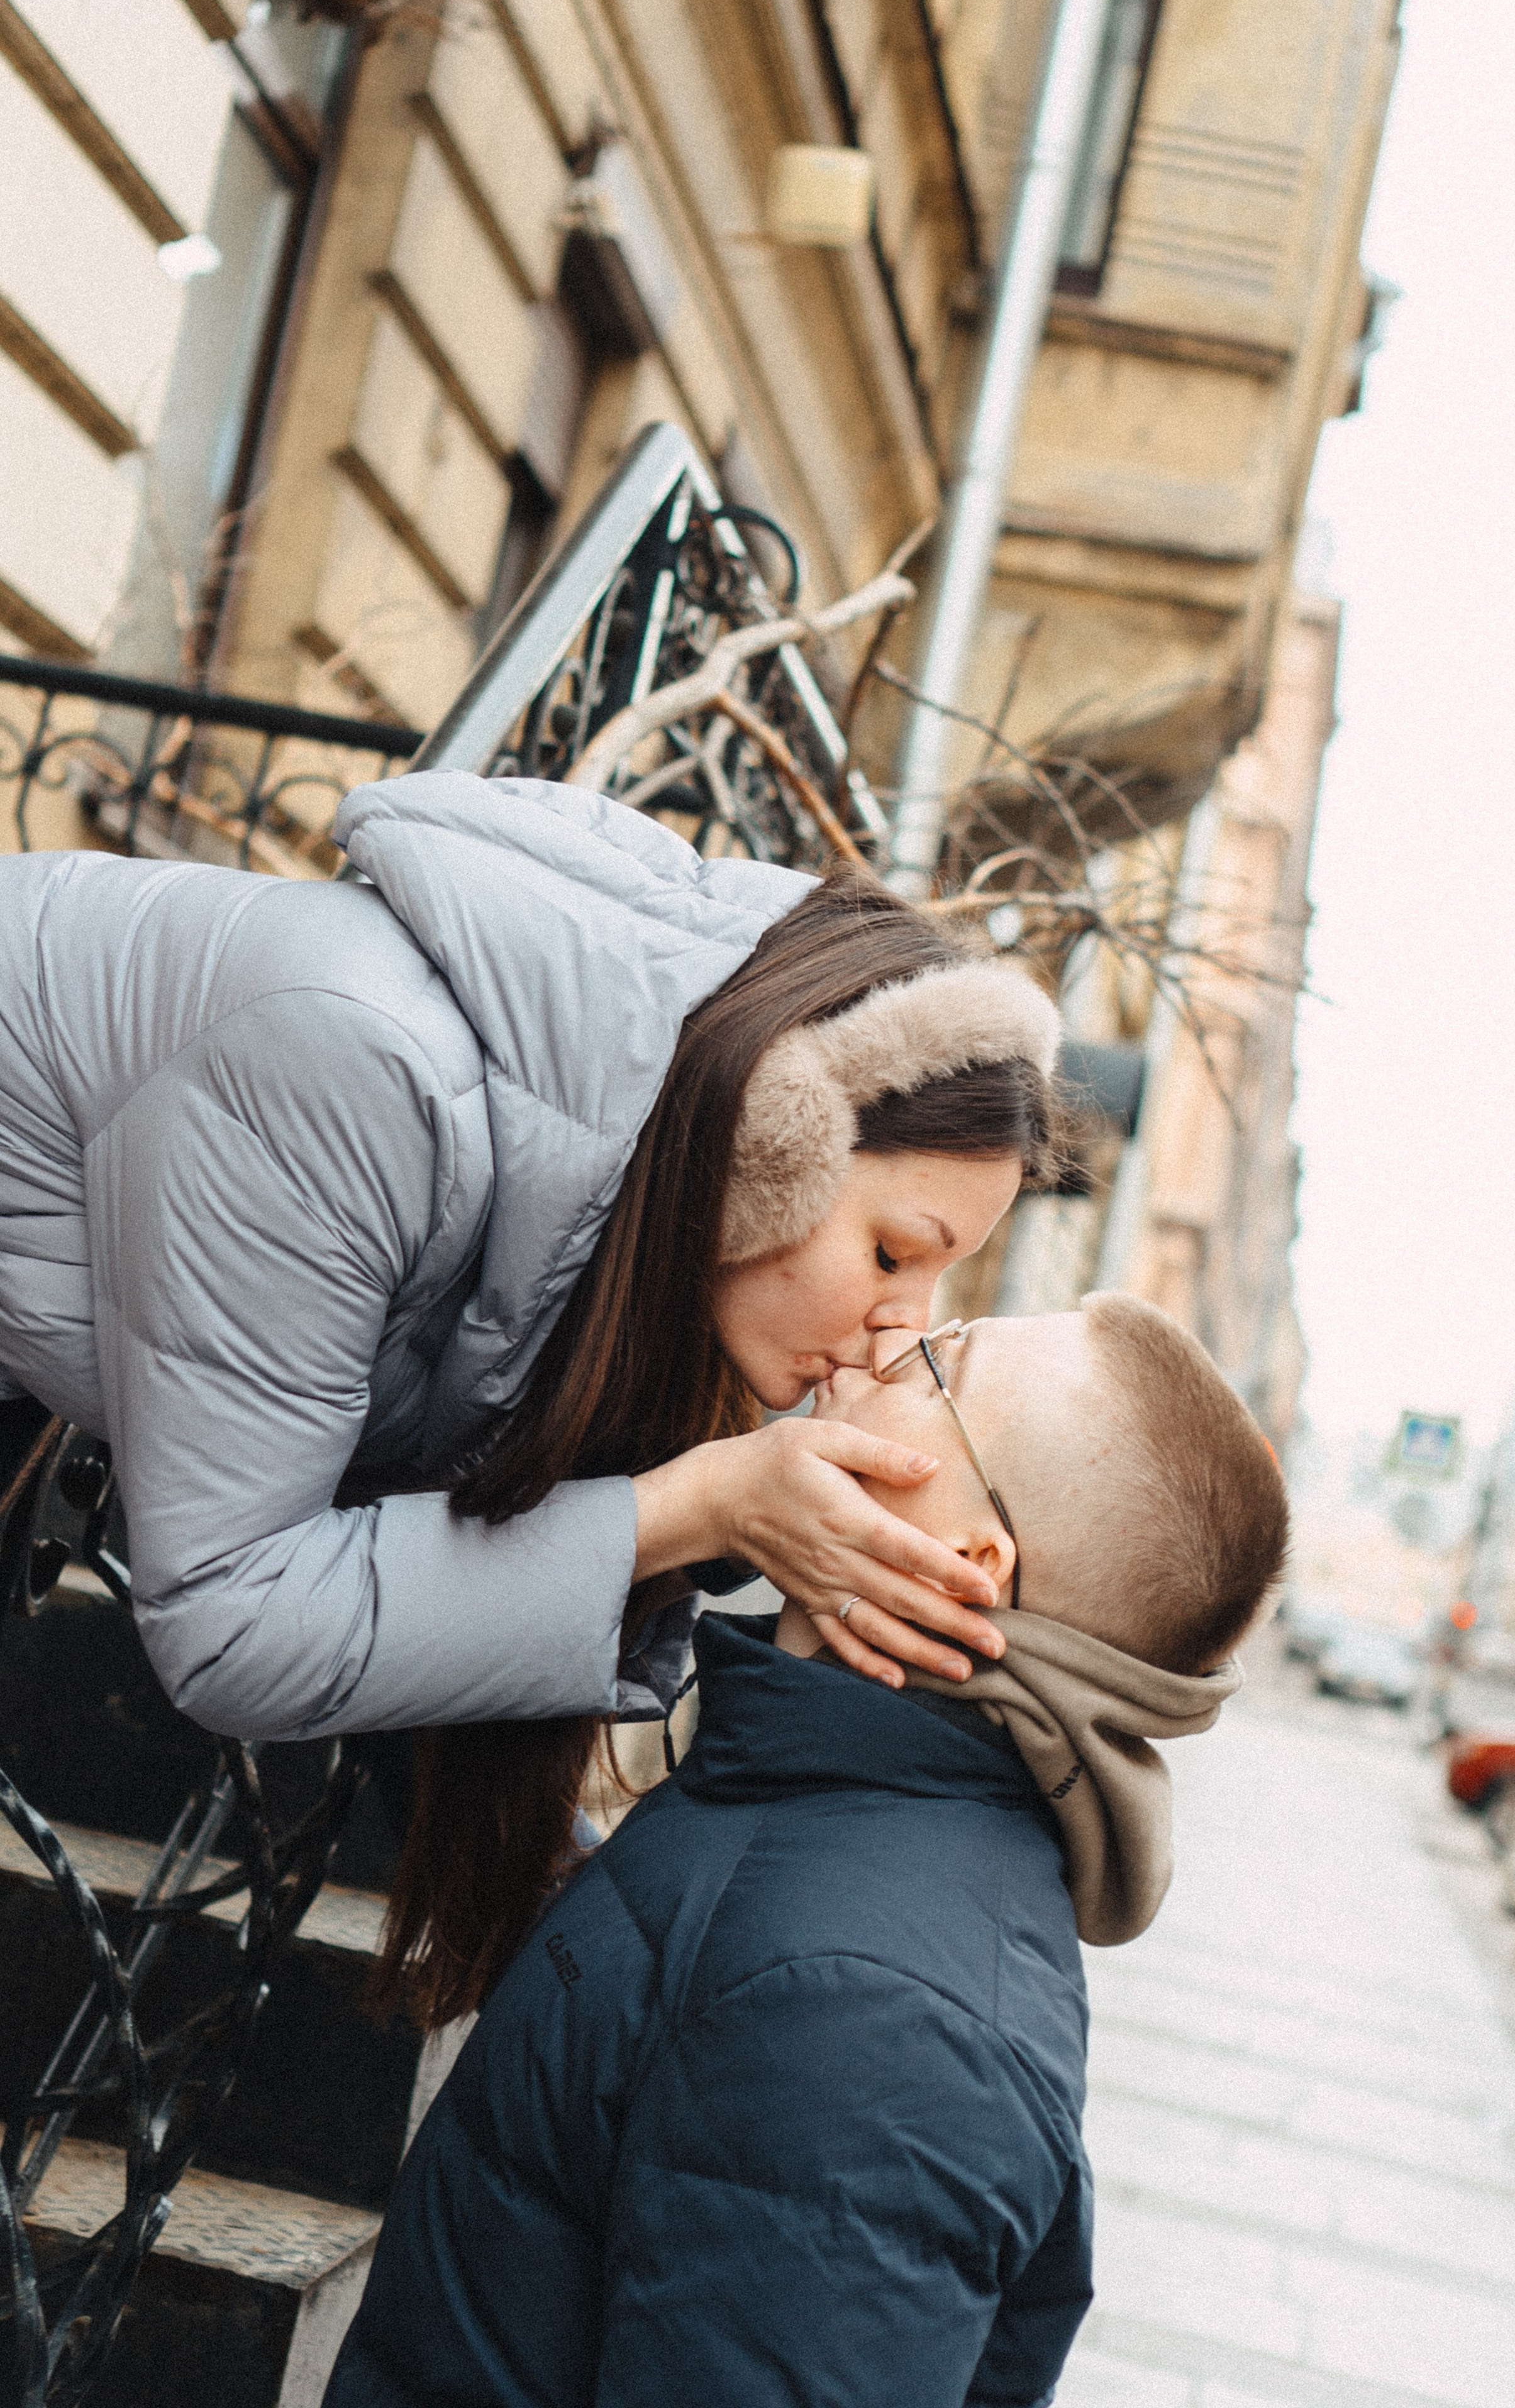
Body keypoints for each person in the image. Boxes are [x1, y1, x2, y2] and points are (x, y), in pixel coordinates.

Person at [0, 770, 1068, 2008]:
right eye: (892, 1256)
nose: (902, 1331)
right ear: (771, 1143)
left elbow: (424, 1547)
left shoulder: (588, 1206)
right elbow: (233, 1622)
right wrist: (695, 1506)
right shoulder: (356, 1070)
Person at [325, 1297, 1288, 2408]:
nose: (887, 1340)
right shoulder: (815, 1819)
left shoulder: (874, 2020)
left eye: (941, 1361)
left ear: (963, 1562)